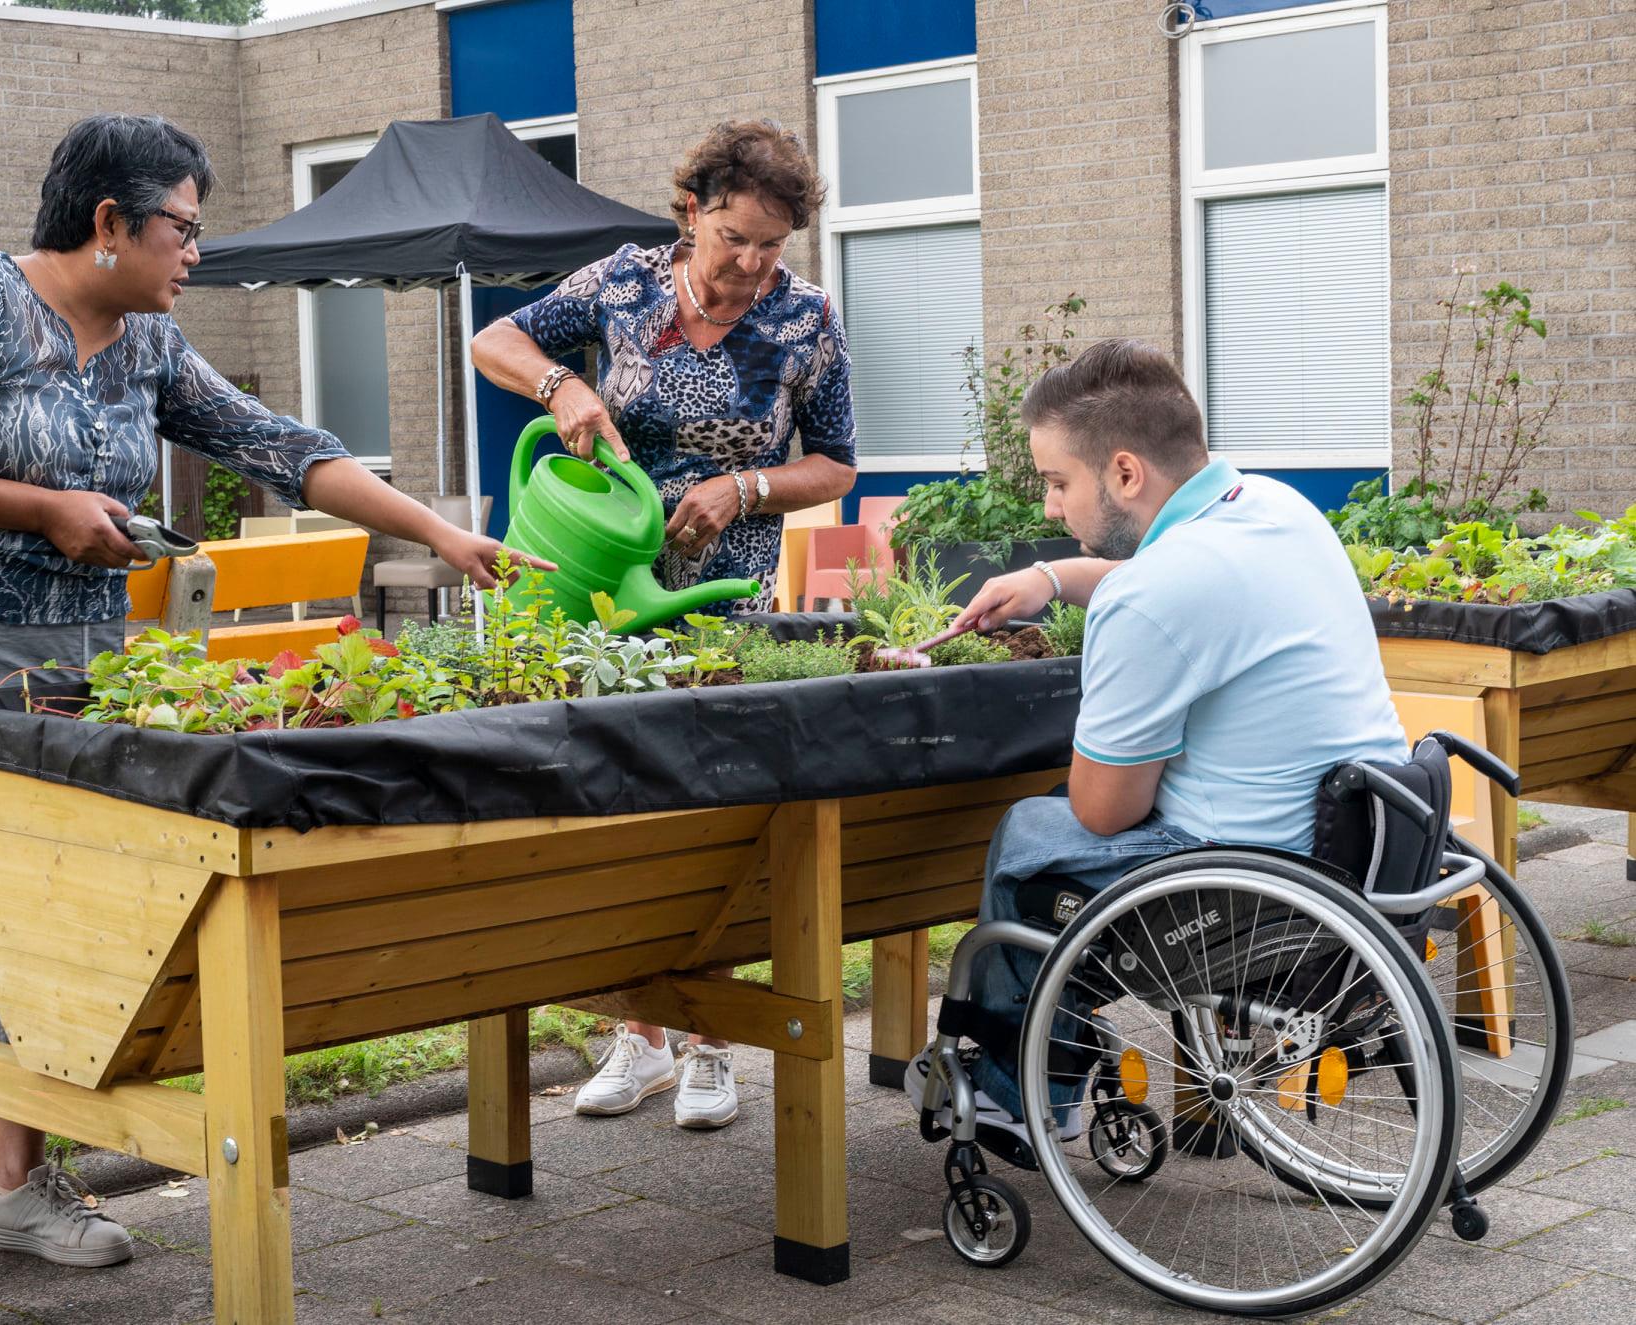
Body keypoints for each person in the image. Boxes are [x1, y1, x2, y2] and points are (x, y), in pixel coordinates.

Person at [0, 113, 548, 1317]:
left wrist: (436, 530)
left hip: (81, 654)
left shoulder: (147, 340)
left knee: (52, 909)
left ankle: (20, 1180)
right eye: (182, 227)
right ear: (107, 223)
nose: (193, 252)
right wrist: (44, 508)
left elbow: (280, 445)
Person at [471, 119, 858, 1129]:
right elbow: (492, 339)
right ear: (688, 212)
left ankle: (710, 1046)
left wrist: (746, 485)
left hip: (723, 604)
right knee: (620, 816)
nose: (750, 262)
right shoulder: (622, 283)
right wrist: (560, 384)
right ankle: (636, 1034)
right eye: (734, 236)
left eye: (771, 244)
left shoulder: (806, 319)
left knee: (723, 821)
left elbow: (839, 463)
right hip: (601, 598)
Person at [939, 338, 1408, 1145]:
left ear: (1124, 473)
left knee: (1030, 834)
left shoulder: (1154, 596)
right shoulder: (1273, 509)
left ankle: (1012, 1094)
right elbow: (1171, 583)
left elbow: (1104, 811)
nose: (1050, 510)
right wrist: (1052, 578)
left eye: (1058, 482)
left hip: (1243, 888)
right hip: (1362, 843)